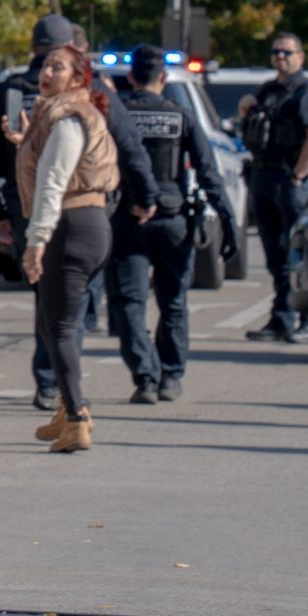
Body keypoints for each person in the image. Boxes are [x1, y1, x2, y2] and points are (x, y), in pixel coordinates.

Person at [0, 15, 153, 409]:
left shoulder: (15, 91)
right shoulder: (91, 96)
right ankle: (73, 393)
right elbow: (130, 145)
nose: (49, 71)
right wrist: (146, 195)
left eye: (59, 64)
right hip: (74, 213)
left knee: (53, 307)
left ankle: (57, 387)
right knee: (70, 309)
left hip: (38, 212)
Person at [107, 46, 238, 404]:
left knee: (130, 302)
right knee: (174, 302)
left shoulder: (118, 114)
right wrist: (228, 222)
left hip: (128, 218)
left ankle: (145, 376)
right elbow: (209, 173)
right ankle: (171, 376)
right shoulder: (179, 115)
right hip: (173, 219)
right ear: (162, 79)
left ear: (131, 77)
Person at [19, 42, 118, 453]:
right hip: (85, 224)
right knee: (52, 323)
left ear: (78, 78)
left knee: (59, 327)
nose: (47, 73)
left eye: (57, 68)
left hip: (73, 224)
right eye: (44, 66)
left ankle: (77, 418)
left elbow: (53, 182)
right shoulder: (61, 115)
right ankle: (67, 408)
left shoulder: (68, 119)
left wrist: (36, 241)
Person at [238, 30, 308, 344]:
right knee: (275, 255)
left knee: (298, 253)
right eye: (276, 51)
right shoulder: (267, 91)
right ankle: (281, 319)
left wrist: (298, 176)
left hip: (289, 178)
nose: (280, 57)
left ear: (300, 57)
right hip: (263, 176)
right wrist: (245, 108)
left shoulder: (307, 92)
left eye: (287, 52)